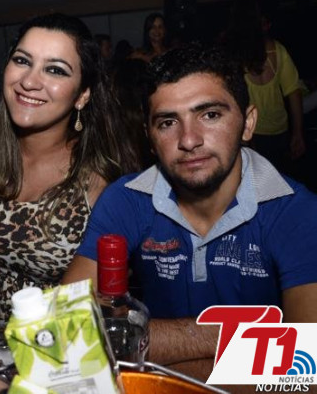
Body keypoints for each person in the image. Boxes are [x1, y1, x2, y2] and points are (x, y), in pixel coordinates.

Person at [63, 43, 317, 382]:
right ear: (149, 138)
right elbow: (68, 331)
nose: (189, 140)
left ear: (248, 123)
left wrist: (137, 352)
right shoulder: (127, 200)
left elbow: (306, 369)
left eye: (210, 115)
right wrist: (221, 334)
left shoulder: (295, 211)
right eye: (168, 122)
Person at [0, 13, 142, 332]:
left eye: (55, 70)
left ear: (82, 95)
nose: (29, 81)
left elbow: (105, 302)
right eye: (22, 60)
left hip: (55, 350)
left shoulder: (100, 181)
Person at [223, 0, 305, 171]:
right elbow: (294, 92)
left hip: (252, 131)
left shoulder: (232, 56)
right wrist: (297, 132)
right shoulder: (278, 49)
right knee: (280, 179)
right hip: (278, 130)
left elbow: (232, 100)